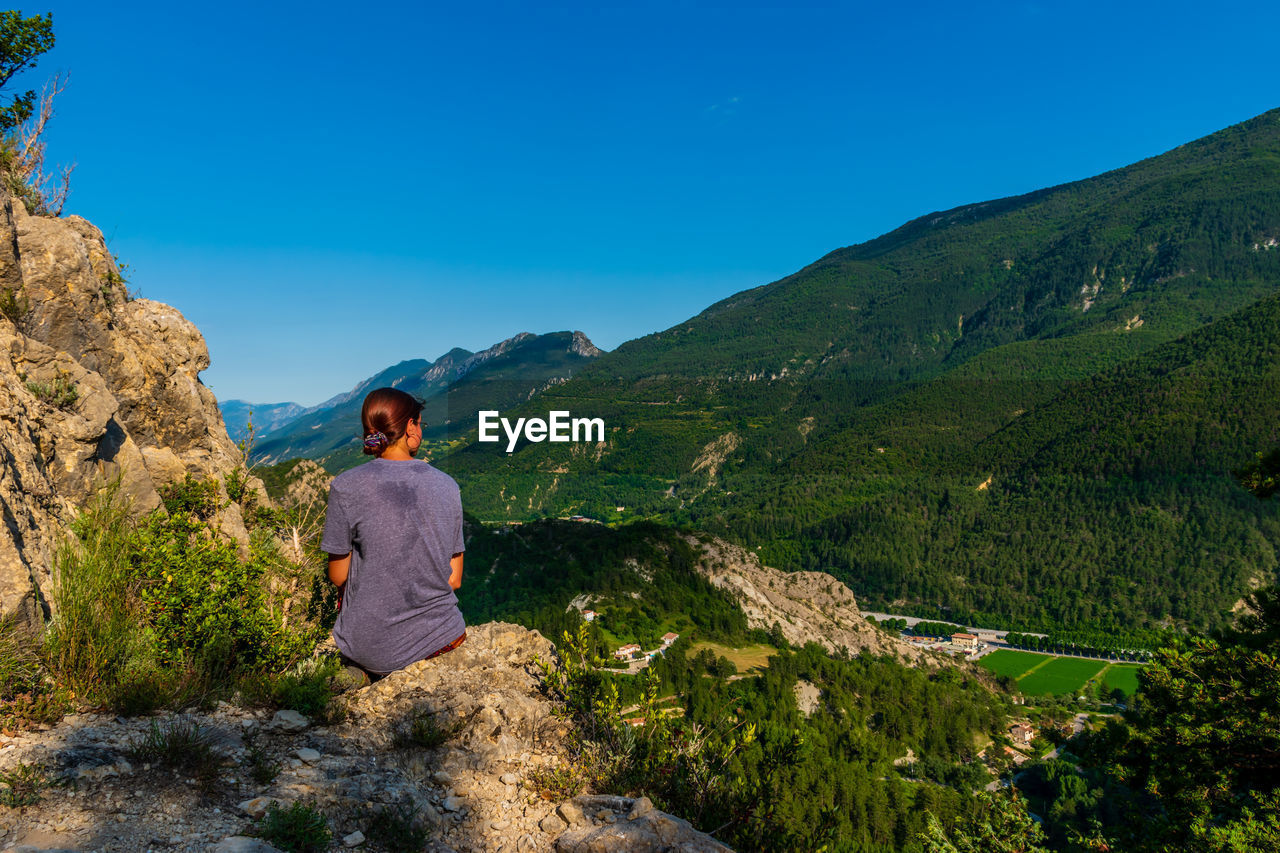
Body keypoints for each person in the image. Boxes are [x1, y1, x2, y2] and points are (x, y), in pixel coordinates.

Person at [321, 387, 466, 681]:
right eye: (420, 423)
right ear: (410, 426)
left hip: (367, 649)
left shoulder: (346, 486)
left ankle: (366, 673)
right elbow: (454, 579)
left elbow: (337, 576)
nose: (421, 431)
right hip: (438, 642)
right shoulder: (447, 486)